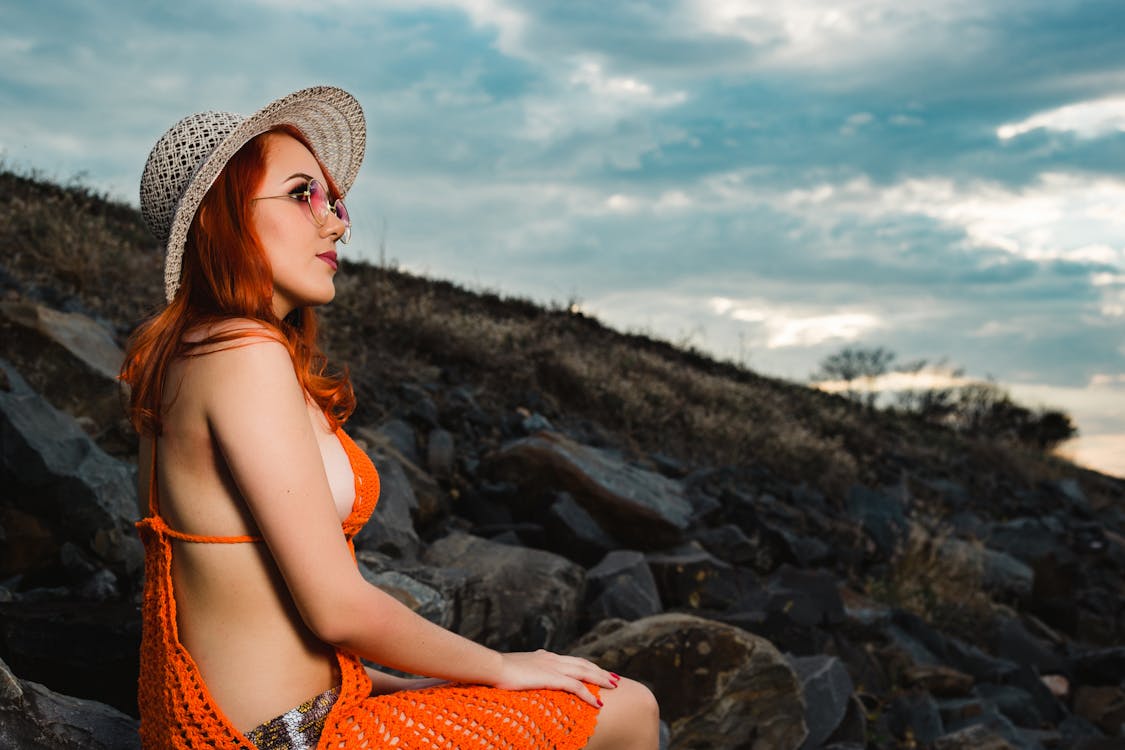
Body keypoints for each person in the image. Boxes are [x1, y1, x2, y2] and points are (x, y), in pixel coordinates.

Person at [121, 86, 660, 750]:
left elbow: (260, 618)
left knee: (578, 694)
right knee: (628, 707)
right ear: (219, 219)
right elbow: (337, 608)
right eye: (301, 195)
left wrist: (427, 686)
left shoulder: (201, 353)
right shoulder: (241, 355)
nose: (337, 222)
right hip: (283, 740)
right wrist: (499, 667)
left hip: (289, 718)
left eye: (334, 200)